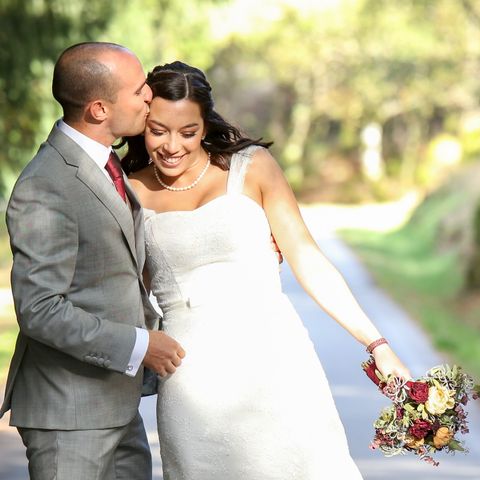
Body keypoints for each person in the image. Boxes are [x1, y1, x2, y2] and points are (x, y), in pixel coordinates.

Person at [123, 61, 411, 479]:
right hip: (192, 380)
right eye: (158, 130)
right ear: (141, 125)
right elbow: (129, 290)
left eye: (188, 132)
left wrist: (377, 345)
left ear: (205, 125)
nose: (172, 146)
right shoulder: (132, 191)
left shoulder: (252, 167)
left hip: (278, 361)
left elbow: (308, 259)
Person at [0, 42, 186, 479]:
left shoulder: (107, 164)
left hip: (118, 405)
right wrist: (141, 345)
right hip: (69, 415)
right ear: (100, 110)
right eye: (139, 89)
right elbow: (40, 310)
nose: (149, 97)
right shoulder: (45, 185)